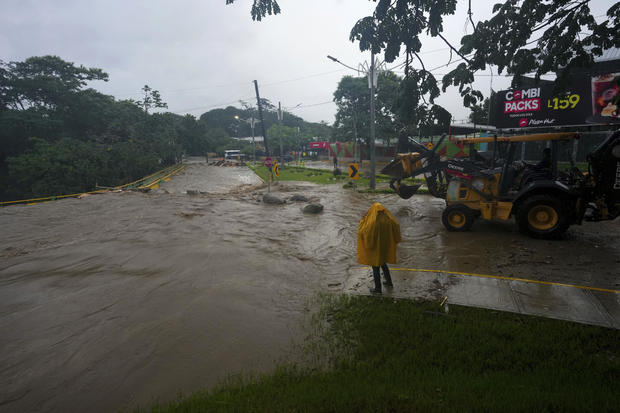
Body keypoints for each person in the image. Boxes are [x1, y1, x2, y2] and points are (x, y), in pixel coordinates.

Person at [357, 202, 402, 294]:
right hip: (384, 247)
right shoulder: (388, 218)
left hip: (375, 248)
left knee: (375, 268)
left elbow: (363, 231)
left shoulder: (372, 222)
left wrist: (362, 220)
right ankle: (389, 282)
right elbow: (396, 226)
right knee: (384, 264)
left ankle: (378, 289)